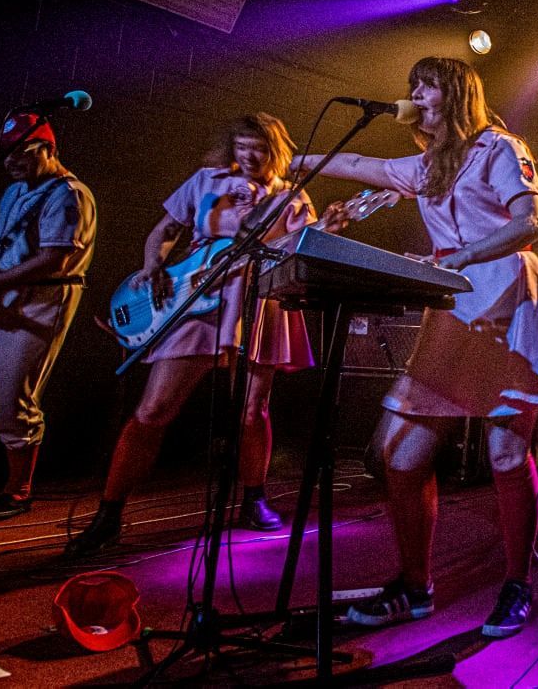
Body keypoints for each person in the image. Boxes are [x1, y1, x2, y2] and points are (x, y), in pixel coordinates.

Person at [296, 57, 538, 638]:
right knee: (397, 455)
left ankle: (517, 582)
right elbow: (363, 164)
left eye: (426, 85)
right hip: (455, 310)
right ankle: (413, 585)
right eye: (411, 86)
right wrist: (299, 162)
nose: (414, 95)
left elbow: (531, 223)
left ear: (454, 94)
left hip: (510, 304)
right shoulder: (427, 166)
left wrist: (463, 257)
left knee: (507, 454)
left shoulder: (500, 148)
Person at [65, 112, 346, 558]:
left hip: (258, 298)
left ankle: (253, 497)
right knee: (154, 409)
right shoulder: (205, 181)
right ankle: (109, 513)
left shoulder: (291, 195)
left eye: (259, 148)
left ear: (275, 150)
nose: (249, 155)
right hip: (195, 296)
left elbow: (298, 250)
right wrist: (153, 265)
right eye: (241, 147)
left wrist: (325, 230)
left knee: (254, 408)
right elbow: (164, 231)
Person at [0, 113, 96, 521]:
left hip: (42, 301)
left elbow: (53, 259)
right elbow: (0, 250)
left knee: (13, 395)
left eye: (20, 152)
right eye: (5, 153)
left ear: (49, 148)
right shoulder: (13, 193)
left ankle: (18, 490)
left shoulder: (70, 194)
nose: (10, 161)